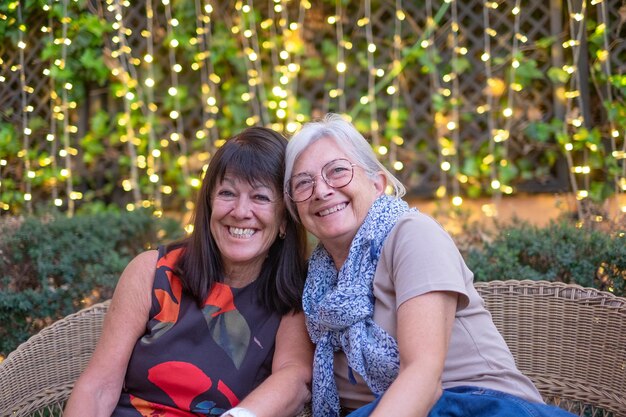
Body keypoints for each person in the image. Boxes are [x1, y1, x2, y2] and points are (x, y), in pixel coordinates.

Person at [283, 113, 576, 417]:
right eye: (304, 183)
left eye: (338, 171)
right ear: (294, 207)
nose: (321, 190)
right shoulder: (315, 288)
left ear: (378, 183)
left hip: (477, 404)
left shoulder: (412, 235)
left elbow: (424, 375)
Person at [65, 127, 313, 417]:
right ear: (209, 205)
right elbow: (98, 387)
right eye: (227, 193)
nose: (240, 211)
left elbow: (295, 378)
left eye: (260, 197)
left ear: (284, 219)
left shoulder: (292, 296)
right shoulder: (153, 272)